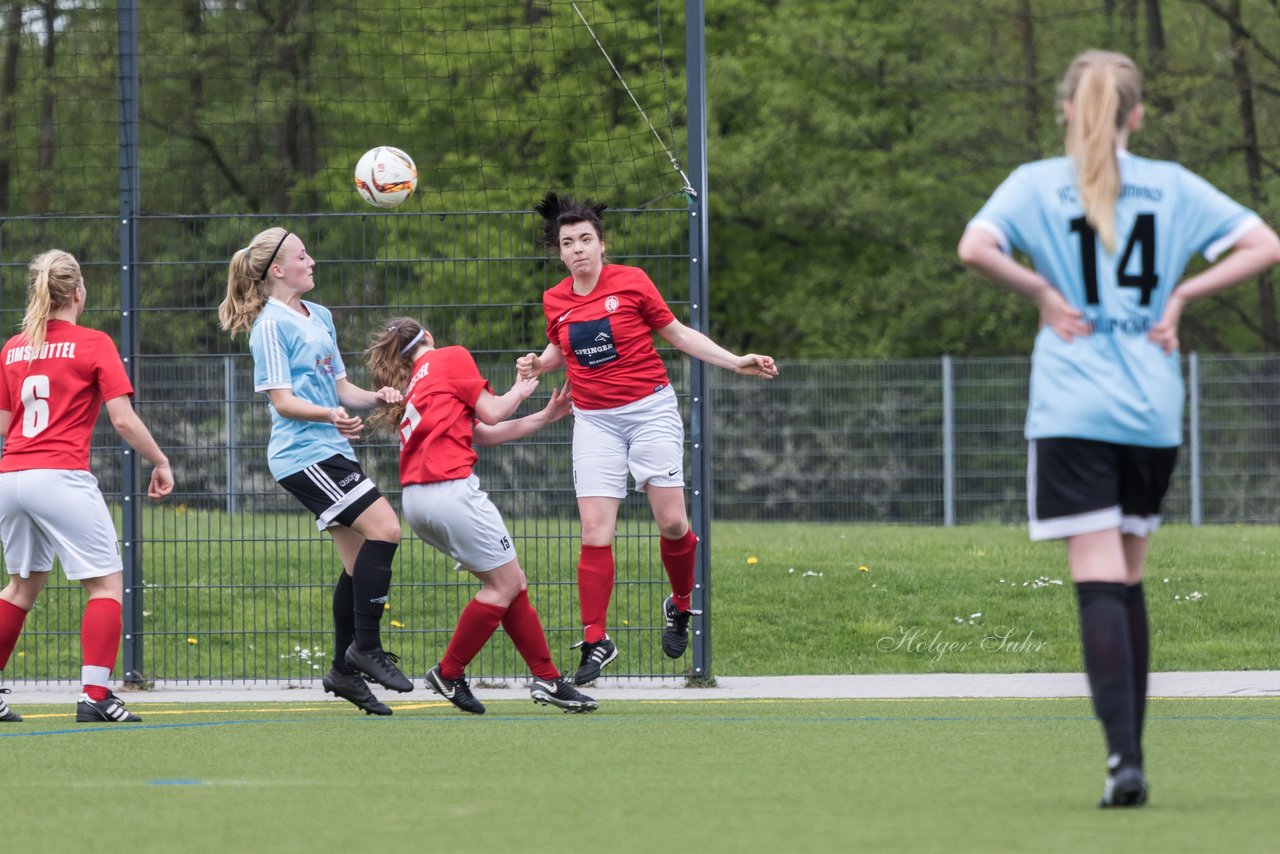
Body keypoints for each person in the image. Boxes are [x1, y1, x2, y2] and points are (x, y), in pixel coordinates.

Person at [958, 50, 1280, 807]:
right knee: (1129, 574)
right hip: (1151, 408)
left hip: (1072, 407)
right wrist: (1179, 300)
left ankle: (1123, 761)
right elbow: (1265, 243)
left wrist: (1040, 289)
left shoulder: (1037, 182)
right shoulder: (1171, 186)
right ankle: (1130, 760)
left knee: (1097, 576)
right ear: (1136, 116)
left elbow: (976, 247)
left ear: (1069, 110)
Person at [518, 192, 778, 685]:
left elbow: (679, 335)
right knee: (595, 532)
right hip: (594, 421)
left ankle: (680, 605)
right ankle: (595, 641)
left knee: (674, 523)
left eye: (586, 240)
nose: (578, 249)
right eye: (568, 242)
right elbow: (559, 349)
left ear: (601, 244)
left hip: (649, 412)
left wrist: (736, 360)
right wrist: (538, 362)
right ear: (559, 251)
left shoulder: (632, 283)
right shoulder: (555, 299)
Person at [219, 227, 411, 716]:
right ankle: (365, 649)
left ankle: (343, 672)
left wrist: (376, 397)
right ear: (278, 270)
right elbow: (283, 402)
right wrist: (329, 416)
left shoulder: (319, 315)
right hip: (303, 455)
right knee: (387, 529)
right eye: (302, 256)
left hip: (331, 448)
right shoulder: (270, 326)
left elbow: (341, 387)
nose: (312, 261)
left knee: (357, 562)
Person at [367, 318, 597, 714]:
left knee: (509, 583)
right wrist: (522, 390)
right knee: (503, 585)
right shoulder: (449, 357)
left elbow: (481, 432)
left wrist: (543, 417)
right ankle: (449, 671)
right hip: (451, 491)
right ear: (428, 336)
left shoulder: (418, 382)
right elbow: (491, 413)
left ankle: (548, 679)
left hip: (418, 502)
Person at [0, 250, 174, 724]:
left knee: (20, 587)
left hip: (11, 475)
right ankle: (96, 696)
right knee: (105, 584)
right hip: (59, 475)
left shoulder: (13, 348)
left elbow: (5, 423)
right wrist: (159, 460)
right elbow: (123, 419)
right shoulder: (93, 343)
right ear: (79, 293)